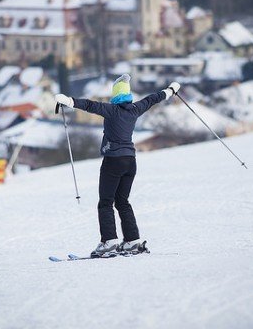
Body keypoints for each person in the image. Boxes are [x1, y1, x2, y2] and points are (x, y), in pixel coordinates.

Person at [55, 74, 180, 257]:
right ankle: (132, 241)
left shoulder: (112, 110)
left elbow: (90, 105)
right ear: (128, 94)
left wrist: (68, 101)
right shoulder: (135, 108)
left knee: (106, 202)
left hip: (113, 160)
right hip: (130, 161)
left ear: (115, 95)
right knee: (122, 201)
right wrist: (170, 91)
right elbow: (153, 99)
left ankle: (109, 242)